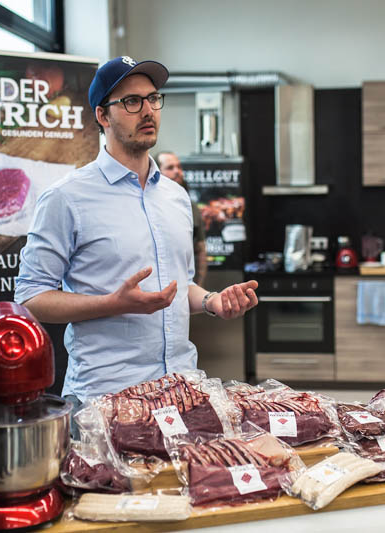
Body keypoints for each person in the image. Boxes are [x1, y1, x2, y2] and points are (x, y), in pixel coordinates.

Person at [14, 56, 258, 407]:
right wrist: (111, 304)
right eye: (131, 102)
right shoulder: (66, 198)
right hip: (106, 398)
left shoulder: (176, 197)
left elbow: (177, 285)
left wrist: (211, 301)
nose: (148, 110)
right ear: (102, 116)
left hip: (182, 390)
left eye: (153, 98)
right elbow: (30, 299)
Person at [156, 151, 208, 286]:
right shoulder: (148, 203)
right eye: (170, 168)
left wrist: (199, 285)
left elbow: (200, 249)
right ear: (156, 171)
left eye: (179, 167)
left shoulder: (190, 206)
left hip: (185, 285)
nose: (177, 171)